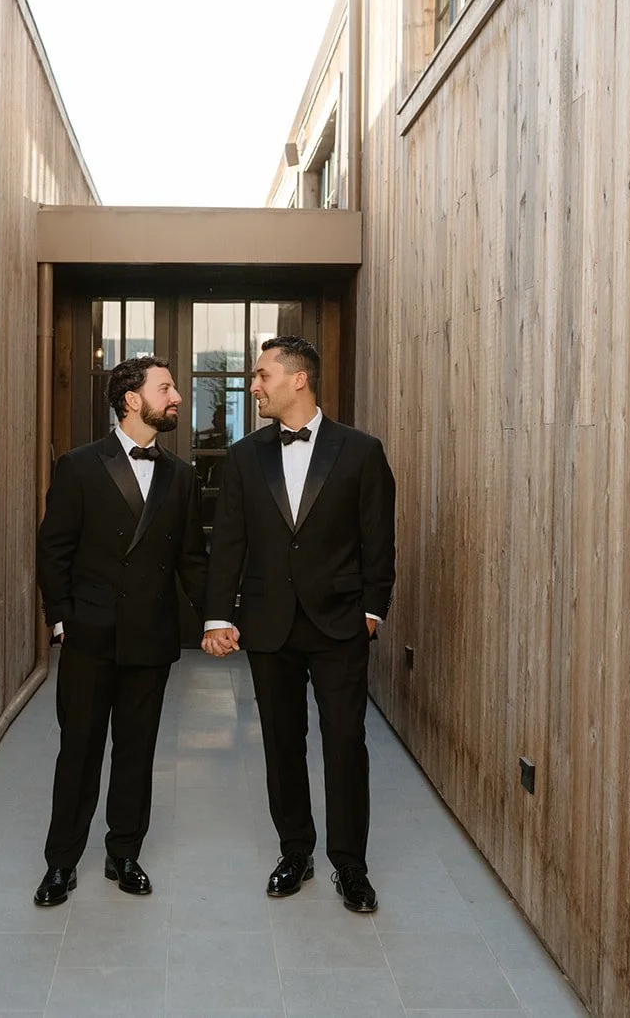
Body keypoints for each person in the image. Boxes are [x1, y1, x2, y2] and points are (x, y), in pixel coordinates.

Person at [201, 335, 395, 913]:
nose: (254, 385)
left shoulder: (361, 451)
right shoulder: (244, 456)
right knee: (281, 742)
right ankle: (295, 851)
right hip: (269, 625)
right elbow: (228, 543)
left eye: (263, 375)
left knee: (346, 743)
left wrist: (371, 611)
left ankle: (351, 866)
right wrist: (218, 615)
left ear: (299, 379)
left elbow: (378, 538)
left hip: (340, 624)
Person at [33, 355, 208, 906]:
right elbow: (53, 549)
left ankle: (124, 853)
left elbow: (192, 559)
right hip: (90, 635)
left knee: (137, 751)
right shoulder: (80, 466)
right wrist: (62, 619)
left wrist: (217, 619)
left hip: (150, 636)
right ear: (133, 400)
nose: (176, 397)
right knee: (79, 752)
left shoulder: (181, 475)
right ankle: (61, 862)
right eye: (166, 388)